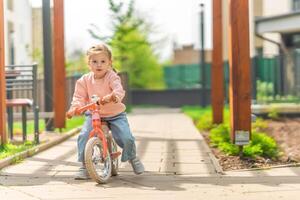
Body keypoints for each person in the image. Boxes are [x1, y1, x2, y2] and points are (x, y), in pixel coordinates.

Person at [67, 43, 144, 180]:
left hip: (115, 114)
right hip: (94, 114)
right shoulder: (84, 80)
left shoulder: (112, 76)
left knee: (126, 137)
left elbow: (118, 89)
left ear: (109, 62)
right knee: (84, 135)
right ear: (89, 63)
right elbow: (79, 97)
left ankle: (132, 157)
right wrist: (75, 108)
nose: (99, 65)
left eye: (103, 61)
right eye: (95, 62)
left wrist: (114, 96)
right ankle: (84, 165)